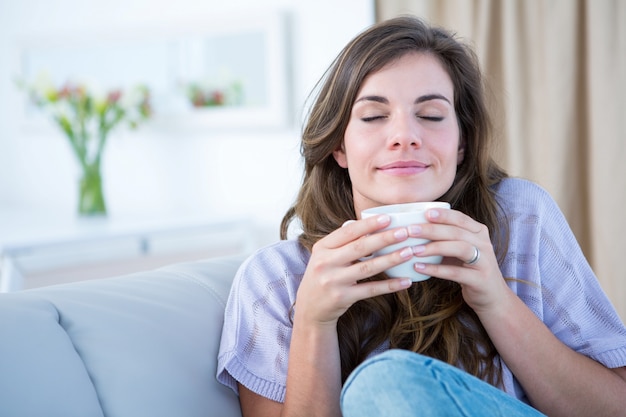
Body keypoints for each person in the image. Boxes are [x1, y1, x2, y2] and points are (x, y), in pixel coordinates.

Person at [217, 15, 626, 417]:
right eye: (374, 116)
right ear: (339, 147)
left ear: (462, 143)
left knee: (385, 384)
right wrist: (313, 321)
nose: (404, 136)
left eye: (430, 115)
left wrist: (496, 301)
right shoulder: (275, 281)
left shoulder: (519, 218)